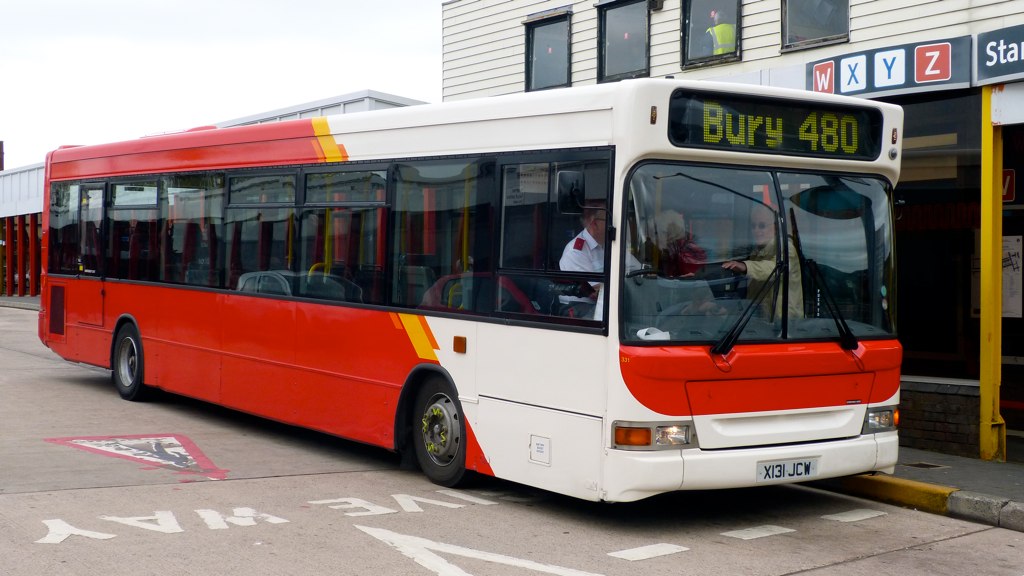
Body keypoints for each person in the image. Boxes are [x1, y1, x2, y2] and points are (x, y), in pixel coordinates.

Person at [722, 205, 803, 320]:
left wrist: (745, 266)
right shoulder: (757, 252)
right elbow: (754, 292)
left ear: (775, 228)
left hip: (785, 325)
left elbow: (774, 269)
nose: (756, 230)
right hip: (763, 321)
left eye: (762, 226)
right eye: (753, 226)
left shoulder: (786, 248)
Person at [653, 209, 706, 277]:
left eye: (662, 232)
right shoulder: (669, 247)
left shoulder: (690, 250)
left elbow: (689, 277)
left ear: (672, 231)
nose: (657, 236)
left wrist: (673, 278)